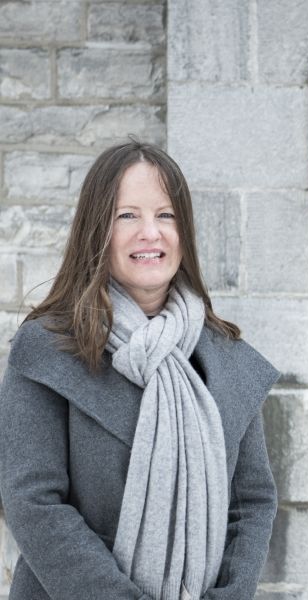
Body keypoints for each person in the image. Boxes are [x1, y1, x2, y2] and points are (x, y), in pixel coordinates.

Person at [0, 140, 279, 600]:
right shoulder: (47, 349)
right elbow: (34, 503)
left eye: (166, 215)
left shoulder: (226, 357)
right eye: (127, 215)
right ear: (97, 230)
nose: (151, 232)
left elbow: (252, 503)